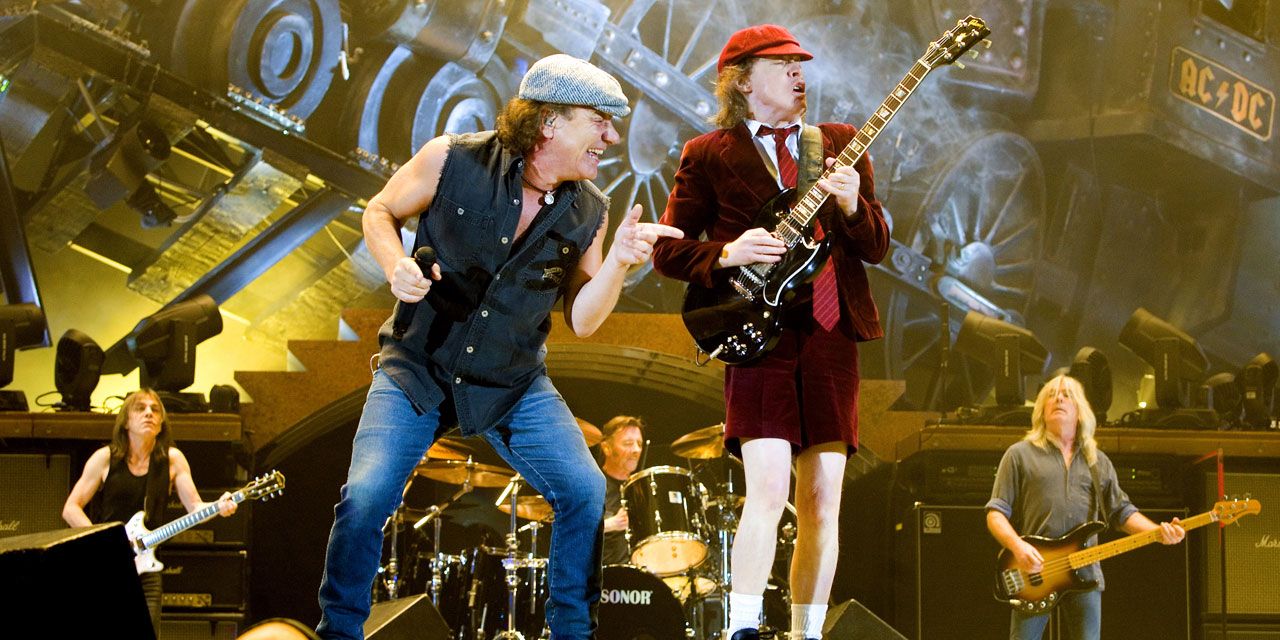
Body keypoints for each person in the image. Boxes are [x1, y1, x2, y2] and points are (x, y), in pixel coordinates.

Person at [315, 54, 682, 640]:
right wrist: (395, 264)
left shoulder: (590, 208)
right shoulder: (451, 158)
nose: (613, 138)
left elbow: (583, 320)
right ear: (550, 122)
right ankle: (338, 633)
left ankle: (572, 635)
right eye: (601, 121)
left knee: (585, 490)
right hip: (418, 368)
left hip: (513, 383)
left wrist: (617, 263)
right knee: (365, 498)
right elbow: (380, 210)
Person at [651, 24, 890, 640]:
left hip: (830, 329)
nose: (797, 73)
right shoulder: (708, 152)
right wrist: (728, 253)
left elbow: (876, 246)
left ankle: (807, 632)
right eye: (783, 64)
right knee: (767, 488)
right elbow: (668, 251)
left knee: (823, 499)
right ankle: (743, 628)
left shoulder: (839, 143)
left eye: (800, 64)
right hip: (758, 334)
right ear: (742, 80)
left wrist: (851, 205)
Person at [985, 374, 1186, 640]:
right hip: (1034, 574)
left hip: (1086, 572)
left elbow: (1122, 512)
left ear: (1080, 411)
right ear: (1041, 411)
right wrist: (1018, 547)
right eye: (1051, 395)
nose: (1058, 399)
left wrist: (1158, 532)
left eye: (1066, 395)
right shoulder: (1019, 454)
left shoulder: (1097, 461)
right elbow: (996, 513)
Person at [62, 388, 238, 637]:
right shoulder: (105, 458)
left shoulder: (172, 459)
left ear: (161, 423)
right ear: (125, 421)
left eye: (155, 410)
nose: (149, 413)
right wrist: (105, 541)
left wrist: (219, 506)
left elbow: (195, 507)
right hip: (107, 566)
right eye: (140, 408)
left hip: (147, 567)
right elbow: (71, 508)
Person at [599, 415, 645, 565]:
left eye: (639, 444)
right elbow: (572, 531)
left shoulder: (642, 487)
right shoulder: (591, 485)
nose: (636, 450)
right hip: (601, 574)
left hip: (640, 572)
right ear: (606, 448)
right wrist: (612, 524)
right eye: (628, 443)